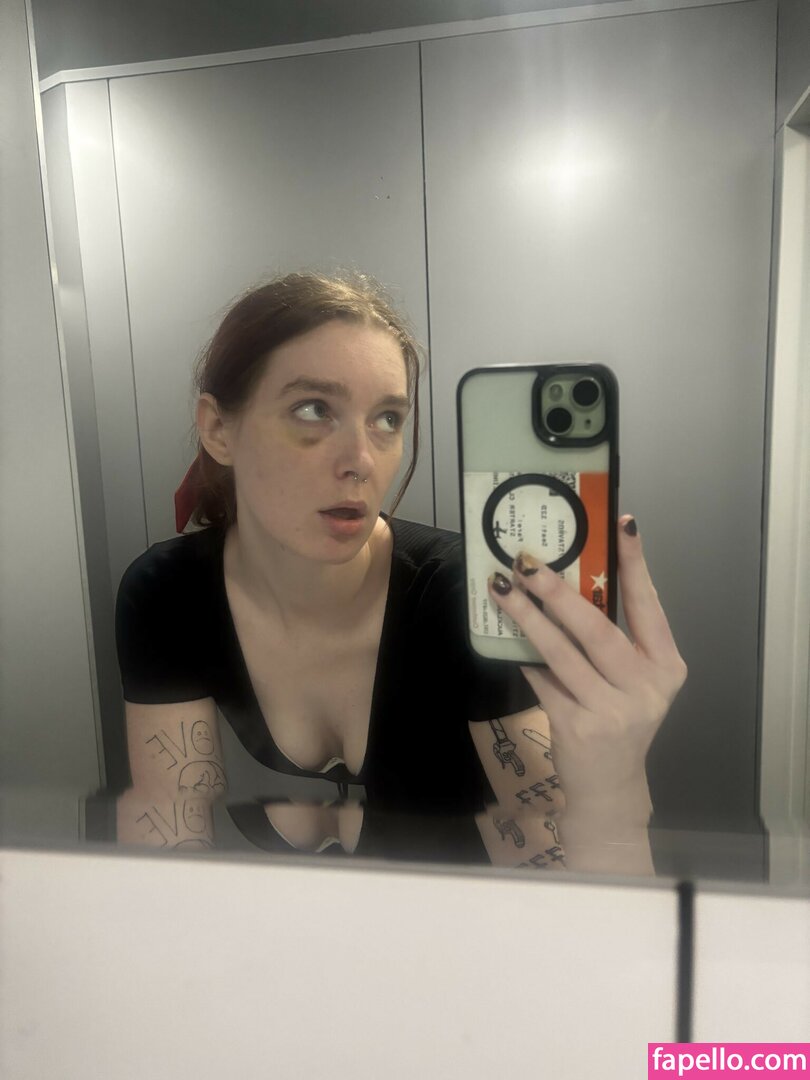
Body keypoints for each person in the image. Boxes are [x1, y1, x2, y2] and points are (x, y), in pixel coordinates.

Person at [114, 272, 687, 870]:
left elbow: (551, 865)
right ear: (217, 429)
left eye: (387, 419)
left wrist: (611, 796)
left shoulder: (463, 595)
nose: (361, 461)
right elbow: (168, 843)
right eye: (313, 410)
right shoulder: (168, 594)